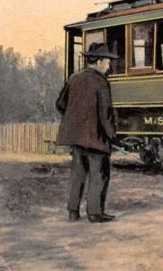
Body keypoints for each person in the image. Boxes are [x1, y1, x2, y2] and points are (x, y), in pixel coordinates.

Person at [56, 43, 119, 223]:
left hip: (76, 138)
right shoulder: (101, 82)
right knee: (99, 174)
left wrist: (75, 118)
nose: (109, 66)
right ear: (99, 61)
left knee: (78, 173)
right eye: (108, 61)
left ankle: (73, 212)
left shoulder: (74, 78)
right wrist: (113, 136)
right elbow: (105, 115)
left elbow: (60, 104)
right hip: (95, 138)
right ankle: (95, 213)